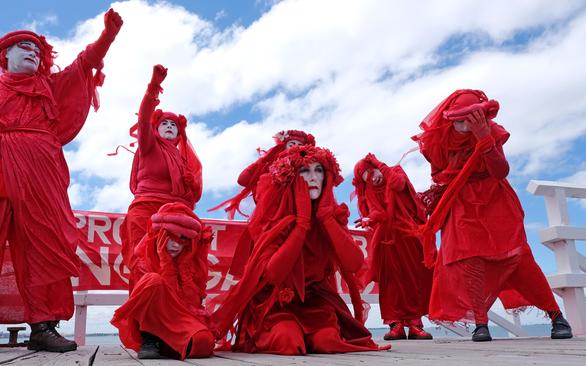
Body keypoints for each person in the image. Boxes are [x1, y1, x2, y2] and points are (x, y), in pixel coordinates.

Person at [0, 9, 123, 356]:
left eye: (37, 49)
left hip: (43, 177)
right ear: (3, 55)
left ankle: (42, 327)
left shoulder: (49, 87)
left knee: (40, 253)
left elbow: (84, 65)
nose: (32, 51)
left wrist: (107, 38)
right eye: (23, 46)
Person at [412, 89, 573, 341]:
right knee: (470, 261)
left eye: (468, 118)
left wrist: (484, 139)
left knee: (518, 258)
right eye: (457, 119)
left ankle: (555, 316)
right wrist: (448, 182)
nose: (462, 124)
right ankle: (480, 323)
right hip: (462, 204)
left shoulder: (491, 132)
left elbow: (501, 171)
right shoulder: (439, 141)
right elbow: (437, 174)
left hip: (496, 202)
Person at [210, 145, 390, 354]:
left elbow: (355, 263)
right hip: (275, 303)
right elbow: (274, 274)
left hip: (316, 301)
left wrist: (324, 217)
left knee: (327, 342)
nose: (313, 177)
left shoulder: (331, 216)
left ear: (327, 177)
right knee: (289, 341)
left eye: (319, 170)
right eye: (305, 171)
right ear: (292, 176)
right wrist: (302, 224)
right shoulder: (274, 218)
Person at [119, 65, 202, 273]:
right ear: (156, 128)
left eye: (174, 125)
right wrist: (154, 87)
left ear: (179, 134)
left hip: (176, 215)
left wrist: (190, 184)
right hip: (146, 210)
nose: (169, 126)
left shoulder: (184, 162)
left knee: (178, 271)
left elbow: (195, 194)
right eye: (164, 123)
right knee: (144, 266)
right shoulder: (149, 146)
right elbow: (143, 119)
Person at [111, 203, 214, 360]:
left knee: (203, 342)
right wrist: (166, 262)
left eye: (183, 238)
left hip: (180, 318)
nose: (176, 244)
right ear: (159, 234)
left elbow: (190, 303)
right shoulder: (143, 260)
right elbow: (160, 298)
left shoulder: (193, 263)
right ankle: (150, 339)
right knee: (153, 280)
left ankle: (172, 344)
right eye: (170, 236)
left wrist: (183, 265)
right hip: (154, 321)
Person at [209, 130, 315, 276]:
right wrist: (267, 157)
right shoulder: (269, 166)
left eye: (299, 145)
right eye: (292, 144)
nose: (295, 147)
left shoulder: (311, 171)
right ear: (283, 146)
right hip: (268, 226)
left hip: (299, 226)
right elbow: (243, 179)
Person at [352, 153, 433, 340]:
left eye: (371, 172)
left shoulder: (394, 172)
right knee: (391, 282)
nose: (372, 179)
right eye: (366, 178)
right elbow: (378, 213)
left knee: (414, 278)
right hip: (386, 240)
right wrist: (370, 218)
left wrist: (379, 165)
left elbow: (397, 184)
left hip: (408, 236)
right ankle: (394, 323)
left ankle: (414, 323)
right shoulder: (370, 192)